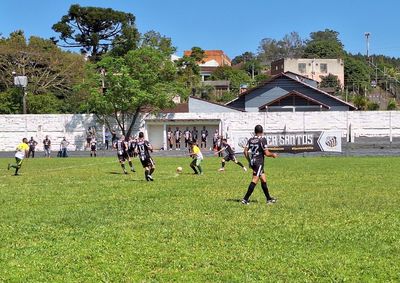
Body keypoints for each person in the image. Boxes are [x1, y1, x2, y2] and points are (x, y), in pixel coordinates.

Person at [241, 125, 278, 205]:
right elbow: (266, 153)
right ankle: (245, 199)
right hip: (259, 163)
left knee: (263, 180)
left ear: (255, 131)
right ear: (262, 131)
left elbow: (245, 151)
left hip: (253, 161)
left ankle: (268, 199)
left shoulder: (250, 140)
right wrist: (273, 155)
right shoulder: (262, 139)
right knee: (254, 180)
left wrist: (249, 161)